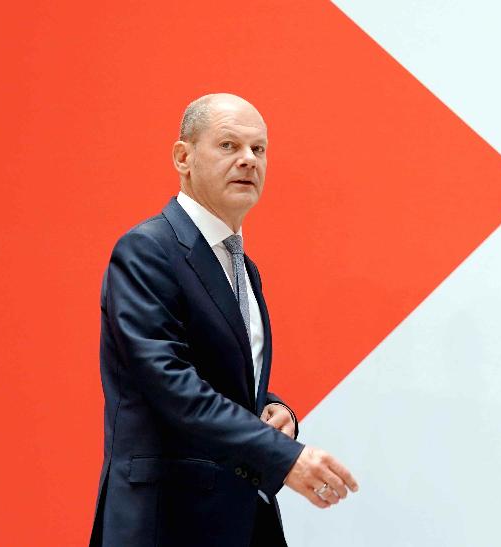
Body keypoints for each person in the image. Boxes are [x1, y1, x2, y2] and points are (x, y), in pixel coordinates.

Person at [90, 93, 358, 547]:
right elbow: (170, 383)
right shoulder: (147, 251)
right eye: (229, 145)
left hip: (240, 518)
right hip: (166, 522)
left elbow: (223, 378)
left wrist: (275, 410)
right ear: (183, 157)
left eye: (259, 149)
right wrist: (282, 456)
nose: (248, 160)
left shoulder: (242, 265)